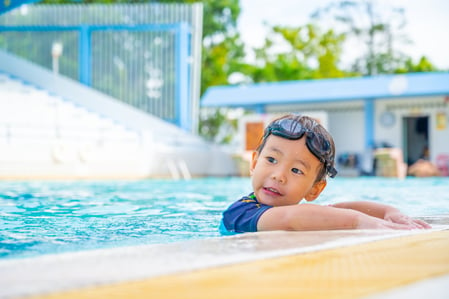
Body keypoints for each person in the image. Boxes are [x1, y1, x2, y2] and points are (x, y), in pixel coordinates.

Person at [219, 114, 431, 234]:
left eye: (296, 170)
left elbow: (336, 209)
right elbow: (290, 218)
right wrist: (359, 222)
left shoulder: (298, 209)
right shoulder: (240, 212)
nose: (278, 175)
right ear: (255, 162)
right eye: (271, 160)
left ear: (315, 189)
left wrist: (389, 212)